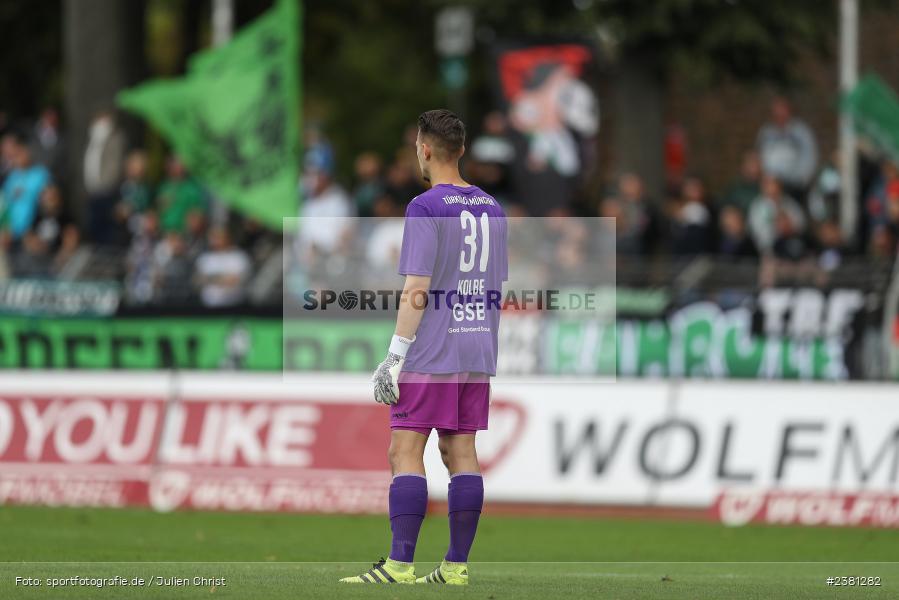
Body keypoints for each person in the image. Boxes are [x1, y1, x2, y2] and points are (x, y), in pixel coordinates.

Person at [340, 110, 508, 586]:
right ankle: (454, 568)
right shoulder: (492, 207)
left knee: (404, 450)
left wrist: (394, 356)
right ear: (462, 149)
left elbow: (418, 286)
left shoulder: (425, 206)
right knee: (461, 452)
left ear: (425, 149)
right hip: (477, 344)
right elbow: (496, 282)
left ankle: (399, 565)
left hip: (434, 347)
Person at [756, 96, 818, 199]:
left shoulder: (801, 131)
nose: (780, 115)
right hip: (772, 186)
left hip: (796, 186)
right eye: (776, 112)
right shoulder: (766, 133)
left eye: (782, 111)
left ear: (789, 111)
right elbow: (760, 157)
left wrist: (802, 179)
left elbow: (810, 157)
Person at [0, 130, 50, 249]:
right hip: (10, 233)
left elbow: (47, 201)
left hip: (33, 230)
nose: (19, 157)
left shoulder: (41, 174)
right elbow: (5, 207)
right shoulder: (11, 178)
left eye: (22, 152)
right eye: (16, 154)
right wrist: (6, 229)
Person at [194, 226, 251, 308]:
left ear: (227, 238)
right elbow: (198, 281)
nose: (215, 240)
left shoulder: (239, 257)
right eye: (213, 237)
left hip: (234, 305)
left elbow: (233, 281)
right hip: (208, 306)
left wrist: (210, 279)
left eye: (218, 237)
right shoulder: (205, 258)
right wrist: (221, 278)